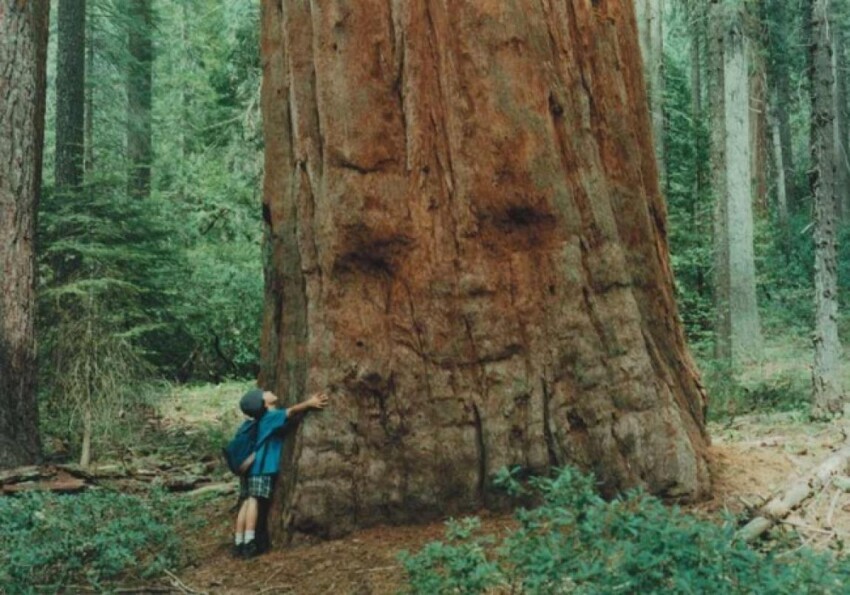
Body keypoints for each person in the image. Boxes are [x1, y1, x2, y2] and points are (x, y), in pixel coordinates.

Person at [232, 387, 328, 558]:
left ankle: (239, 542)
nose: (268, 391)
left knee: (246, 503)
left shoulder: (259, 420)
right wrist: (310, 403)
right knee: (253, 502)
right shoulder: (269, 417)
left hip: (249, 468)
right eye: (264, 394)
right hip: (261, 467)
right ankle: (249, 542)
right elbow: (291, 411)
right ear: (264, 403)